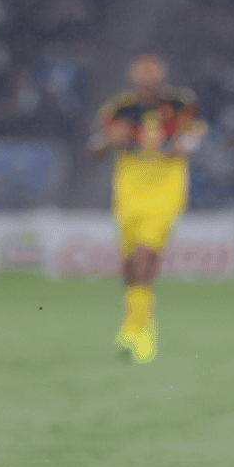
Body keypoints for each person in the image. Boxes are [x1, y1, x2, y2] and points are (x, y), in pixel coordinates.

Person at [89, 54, 206, 364]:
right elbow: (96, 146)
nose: (147, 79)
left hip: (166, 186)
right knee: (129, 264)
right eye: (142, 73)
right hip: (129, 188)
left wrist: (185, 145)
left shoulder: (180, 103)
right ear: (133, 76)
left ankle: (139, 332)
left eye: (152, 73)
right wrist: (107, 140)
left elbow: (195, 135)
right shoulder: (119, 107)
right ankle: (138, 325)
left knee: (145, 254)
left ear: (161, 75)